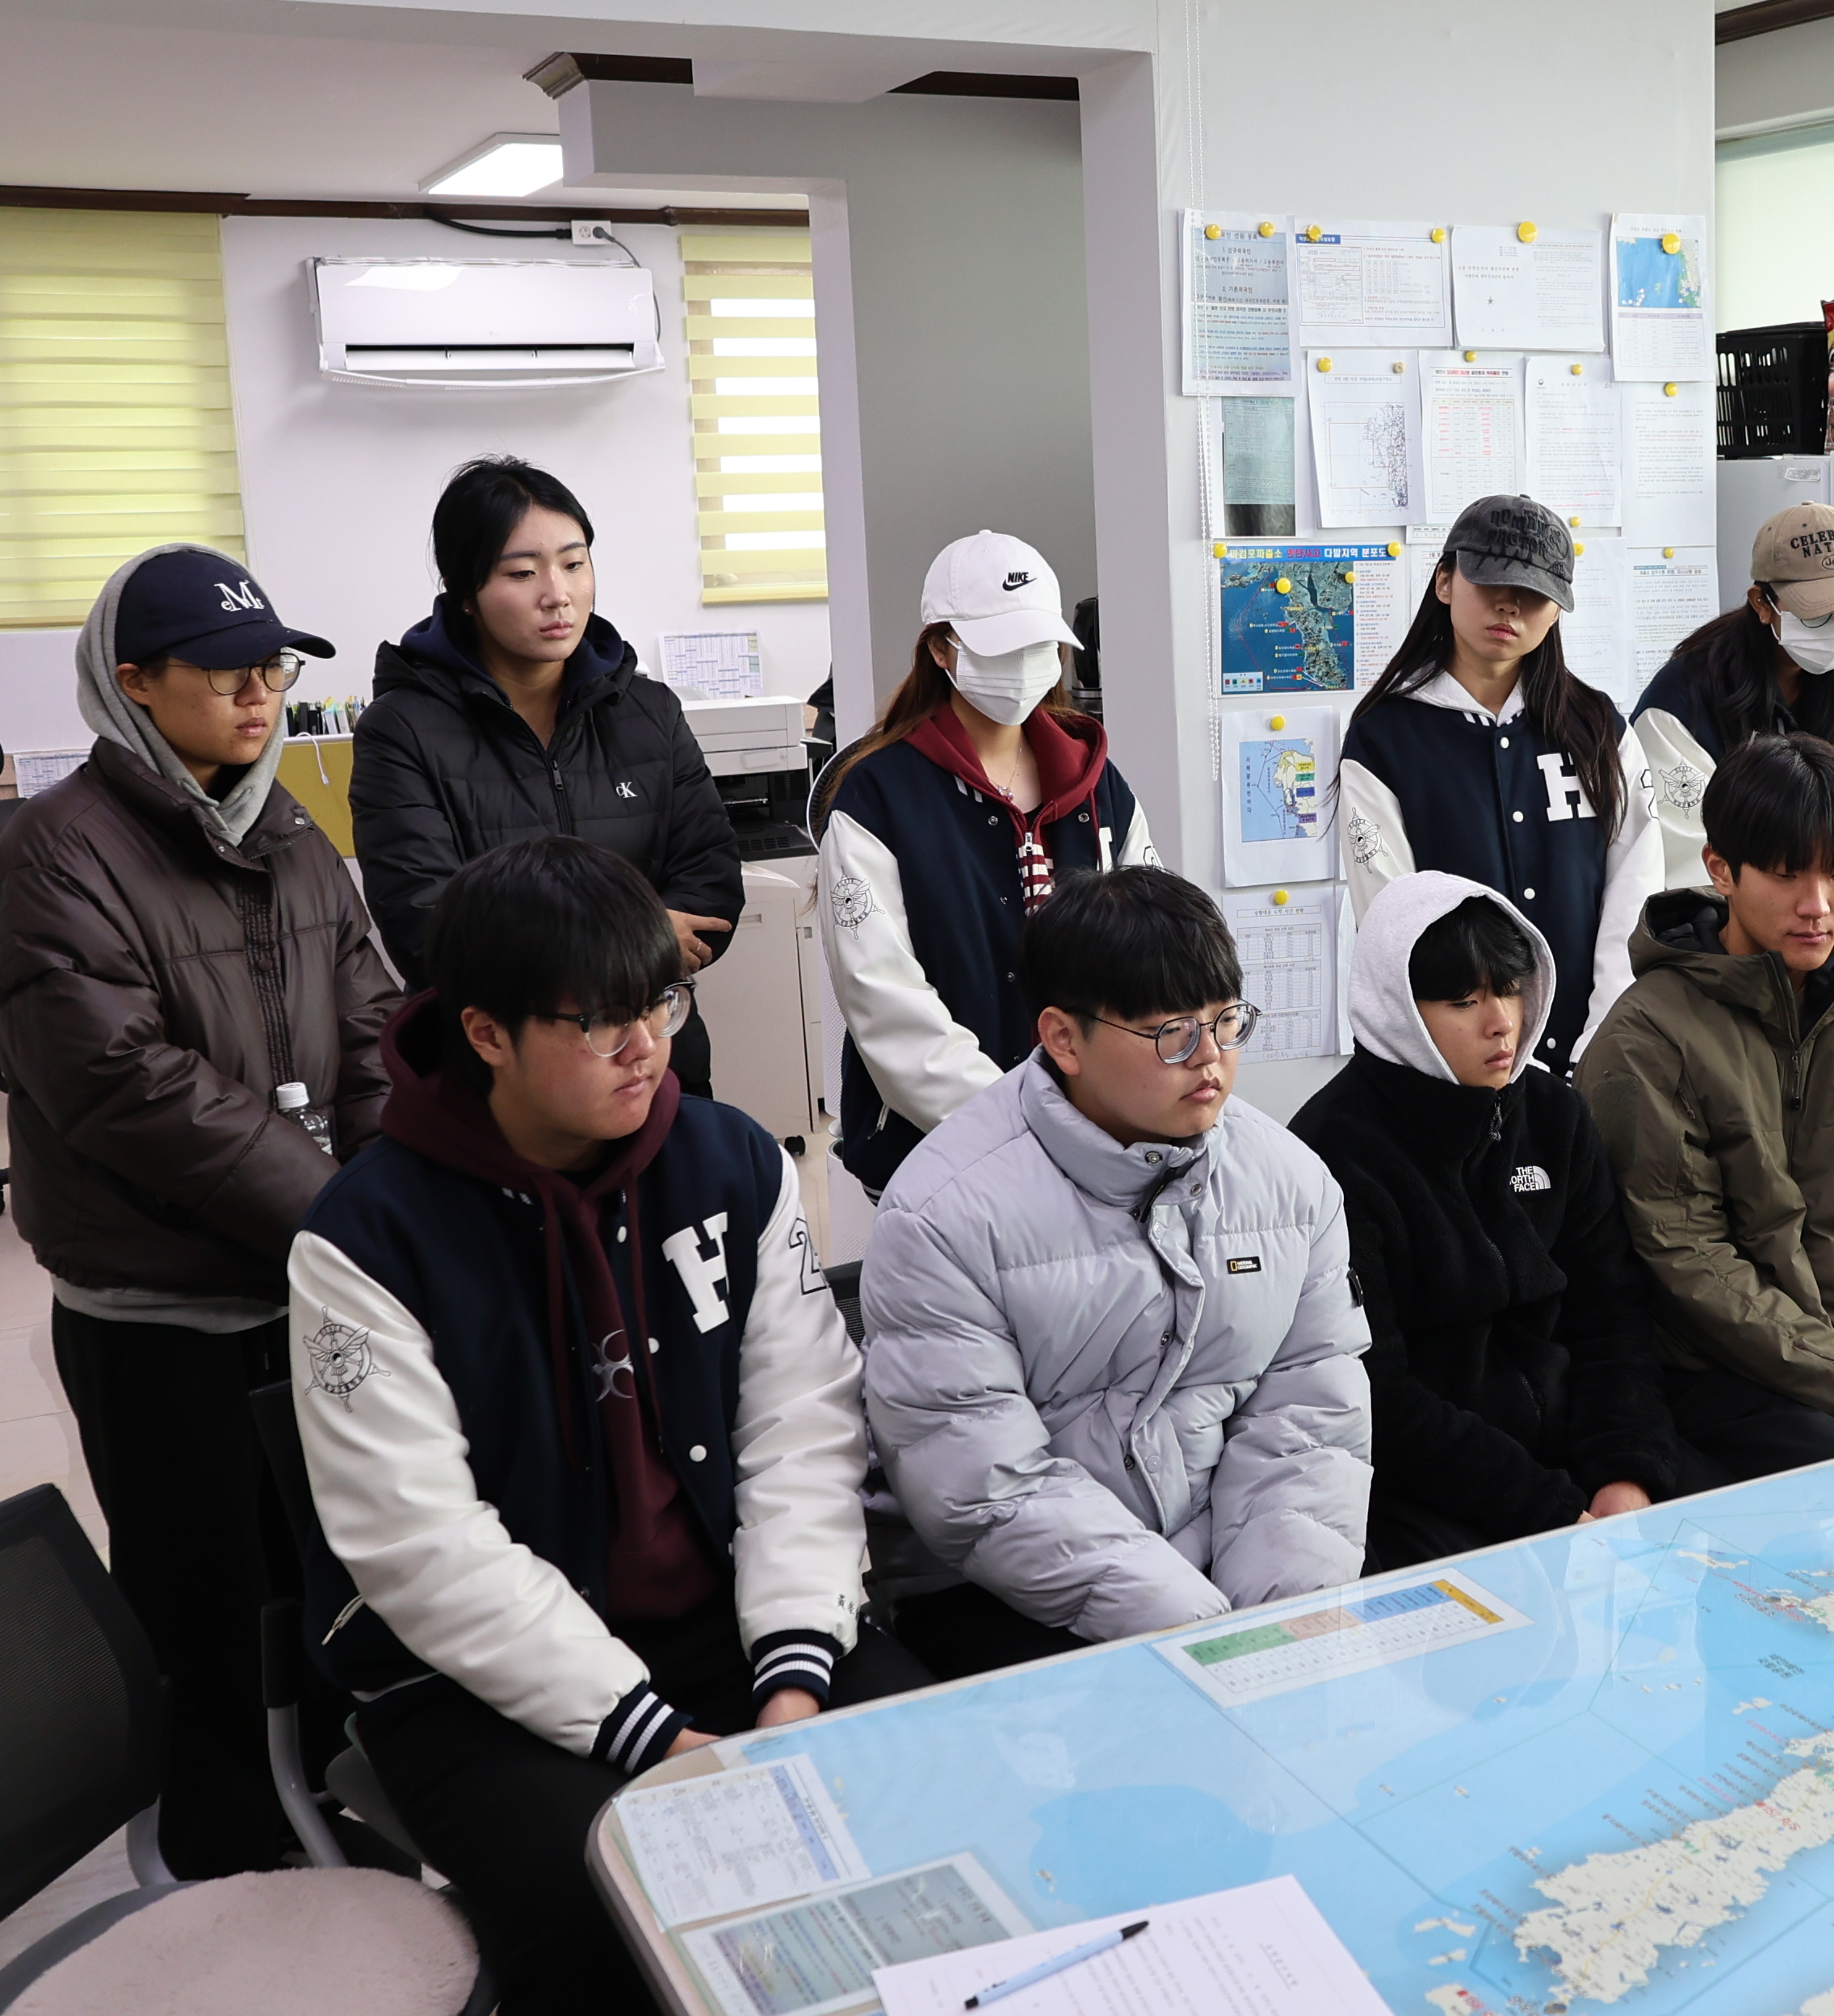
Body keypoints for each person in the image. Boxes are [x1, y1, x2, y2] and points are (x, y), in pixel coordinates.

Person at [289, 838, 916, 2013]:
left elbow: (801, 1427)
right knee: (613, 1918)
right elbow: (422, 1548)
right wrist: (658, 1743)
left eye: (660, 1004)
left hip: (730, 1616)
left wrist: (792, 1680)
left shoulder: (730, 1162)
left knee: (925, 1795)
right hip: (476, 1682)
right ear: (487, 1034)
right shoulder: (366, 1240)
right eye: (599, 1023)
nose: (646, 1046)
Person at [0, 546, 393, 1877]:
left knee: (326, 1579)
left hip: (307, 1287)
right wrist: (344, 1216)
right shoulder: (54, 852)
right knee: (208, 1604)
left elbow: (373, 1027)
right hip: (159, 1312)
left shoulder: (290, 832)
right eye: (225, 674)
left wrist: (383, 1202)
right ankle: (226, 1858)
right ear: (133, 683)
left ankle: (331, 1811)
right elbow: (126, 1086)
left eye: (271, 669)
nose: (258, 694)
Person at [858, 866, 1371, 1678]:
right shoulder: (944, 1213)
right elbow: (986, 1487)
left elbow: (1310, 1415)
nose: (1212, 1060)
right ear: (1065, 1040)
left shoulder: (1291, 1184)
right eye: (1173, 1035)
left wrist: (1282, 1613)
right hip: (1000, 1588)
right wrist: (1201, 1634)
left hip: (1228, 1570)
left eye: (1227, 1021)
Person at [1579, 734, 1834, 1480]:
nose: (1818, 906)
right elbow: (1690, 1261)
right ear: (1720, 868)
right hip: (1732, 1381)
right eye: (1785, 875)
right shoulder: (1646, 1038)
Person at [1291, 873, 1693, 1570]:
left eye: (1508, 990)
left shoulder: (1556, 1115)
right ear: (1398, 1008)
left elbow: (1611, 1316)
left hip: (1581, 1463)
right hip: (1424, 1492)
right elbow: (1375, 1394)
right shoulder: (1332, 1153)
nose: (1501, 1021)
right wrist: (1546, 1511)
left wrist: (1626, 1473)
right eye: (1463, 1001)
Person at [351, 456, 742, 1096]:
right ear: (464, 589)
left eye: (574, 563)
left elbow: (711, 879)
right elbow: (428, 925)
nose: (557, 594)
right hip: (501, 1083)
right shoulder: (402, 731)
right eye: (522, 572)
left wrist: (589, 968)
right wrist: (641, 942)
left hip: (653, 1059)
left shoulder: (649, 712)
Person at [819, 531, 1152, 1194]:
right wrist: (1025, 1128)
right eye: (1002, 647)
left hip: (1097, 1138)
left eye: (1040, 645)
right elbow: (884, 999)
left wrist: (1111, 1116)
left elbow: (1150, 950)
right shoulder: (878, 797)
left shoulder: (1096, 783)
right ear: (941, 649)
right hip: (938, 1150)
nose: (1026, 664)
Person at [1341, 494, 1651, 1069]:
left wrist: (1605, 1036)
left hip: (1594, 1051)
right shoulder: (1384, 738)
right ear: (1445, 582)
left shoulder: (1600, 728)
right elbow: (1394, 922)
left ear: (1557, 611)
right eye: (1490, 582)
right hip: (1450, 1067)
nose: (1510, 605)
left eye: (1533, 593)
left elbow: (1636, 888)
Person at [1632, 502, 1834, 943]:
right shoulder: (1682, 704)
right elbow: (1684, 866)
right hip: (1723, 958)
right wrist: (1753, 966)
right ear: (1762, 603)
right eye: (1816, 613)